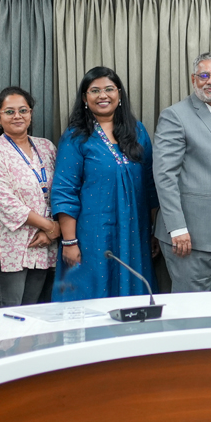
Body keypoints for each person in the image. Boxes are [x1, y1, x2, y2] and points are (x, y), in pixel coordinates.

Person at [52, 67, 158, 300]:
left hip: (134, 234)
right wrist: (69, 241)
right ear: (84, 98)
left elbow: (150, 186)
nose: (103, 95)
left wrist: (153, 232)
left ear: (119, 94)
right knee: (92, 296)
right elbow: (64, 192)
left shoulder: (137, 131)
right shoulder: (75, 137)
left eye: (109, 89)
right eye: (95, 90)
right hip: (92, 236)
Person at [152, 53, 211, 292]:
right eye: (204, 75)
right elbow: (165, 176)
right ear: (193, 79)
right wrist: (177, 227)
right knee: (191, 308)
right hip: (190, 236)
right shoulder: (175, 116)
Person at [0, 87, 58, 308]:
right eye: (9, 112)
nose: (17, 116)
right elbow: (4, 203)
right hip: (8, 249)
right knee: (8, 318)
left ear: (30, 113)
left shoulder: (47, 147)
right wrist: (51, 227)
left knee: (34, 317)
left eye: (23, 110)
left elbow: (61, 189)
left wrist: (52, 230)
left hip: (42, 247)